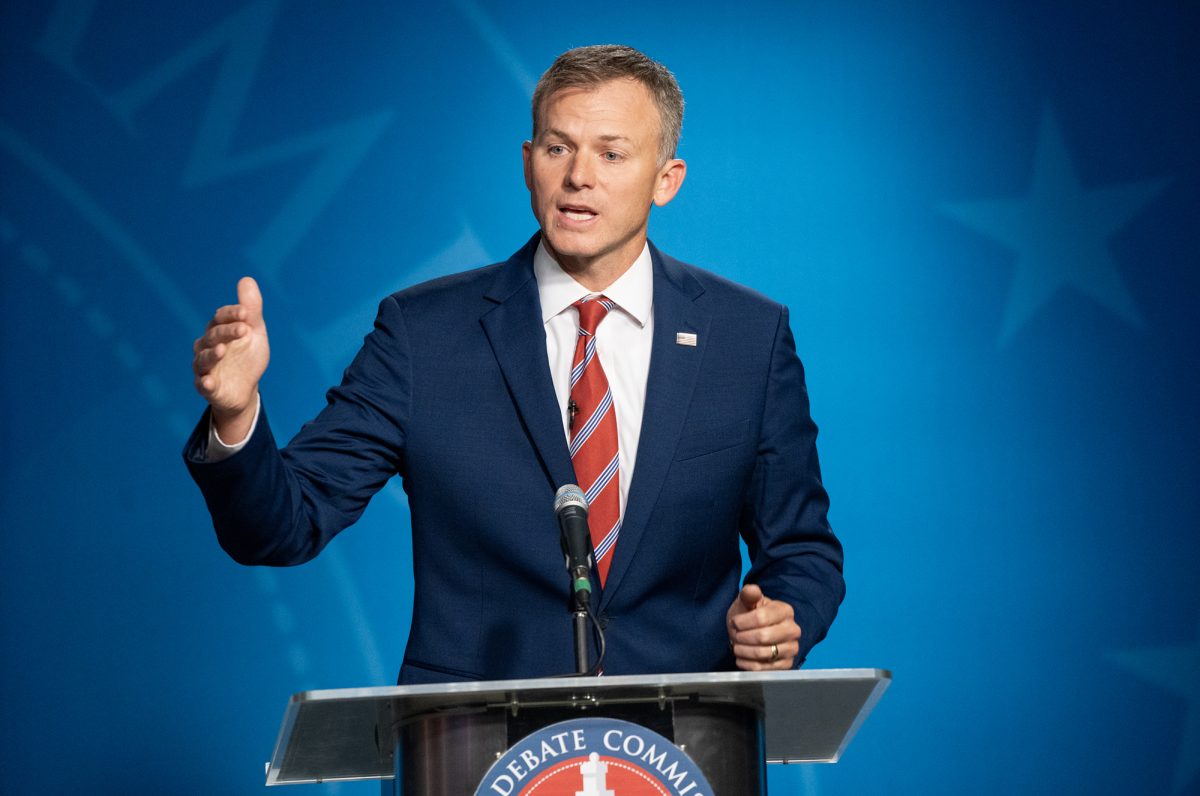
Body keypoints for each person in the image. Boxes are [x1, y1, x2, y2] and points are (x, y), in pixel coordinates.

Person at [184, 45, 844, 684]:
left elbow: (802, 550)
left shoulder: (746, 337)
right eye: (559, 148)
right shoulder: (423, 335)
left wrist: (784, 622)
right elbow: (283, 527)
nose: (579, 175)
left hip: (681, 753)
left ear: (666, 180)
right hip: (476, 753)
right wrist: (237, 414)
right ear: (529, 164)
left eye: (611, 154)